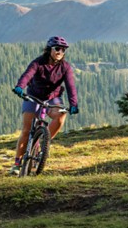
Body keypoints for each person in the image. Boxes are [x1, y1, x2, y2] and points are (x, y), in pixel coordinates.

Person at [10, 36, 79, 174]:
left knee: (61, 115)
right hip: (33, 97)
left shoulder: (65, 67)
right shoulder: (38, 63)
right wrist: (20, 86)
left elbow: (70, 86)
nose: (60, 52)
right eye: (57, 49)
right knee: (26, 130)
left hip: (53, 98)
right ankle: (17, 163)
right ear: (49, 50)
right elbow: (27, 75)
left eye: (63, 49)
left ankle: (44, 142)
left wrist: (73, 104)